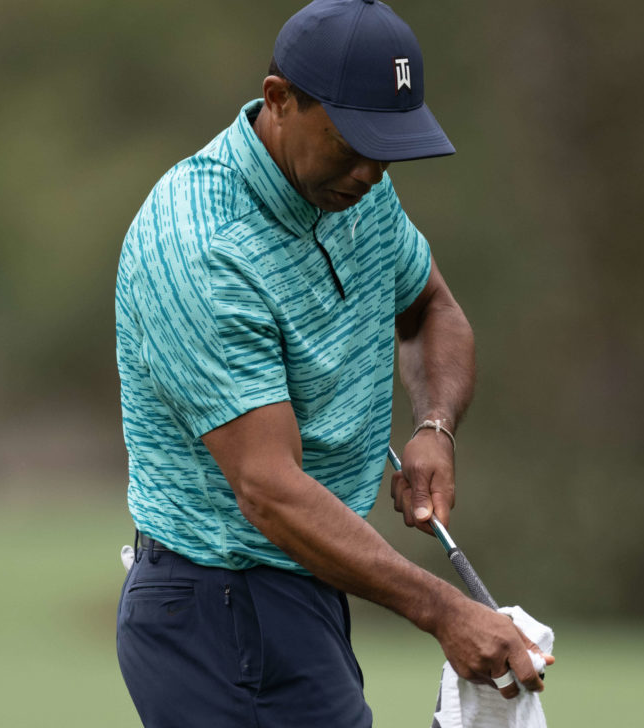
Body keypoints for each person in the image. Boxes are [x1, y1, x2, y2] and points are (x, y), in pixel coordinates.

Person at [114, 1, 550, 725]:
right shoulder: (204, 245)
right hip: (221, 606)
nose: (374, 172)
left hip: (297, 593)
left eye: (389, 148)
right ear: (280, 100)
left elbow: (432, 310)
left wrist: (434, 428)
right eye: (355, 144)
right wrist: (447, 612)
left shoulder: (353, 194)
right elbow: (270, 490)